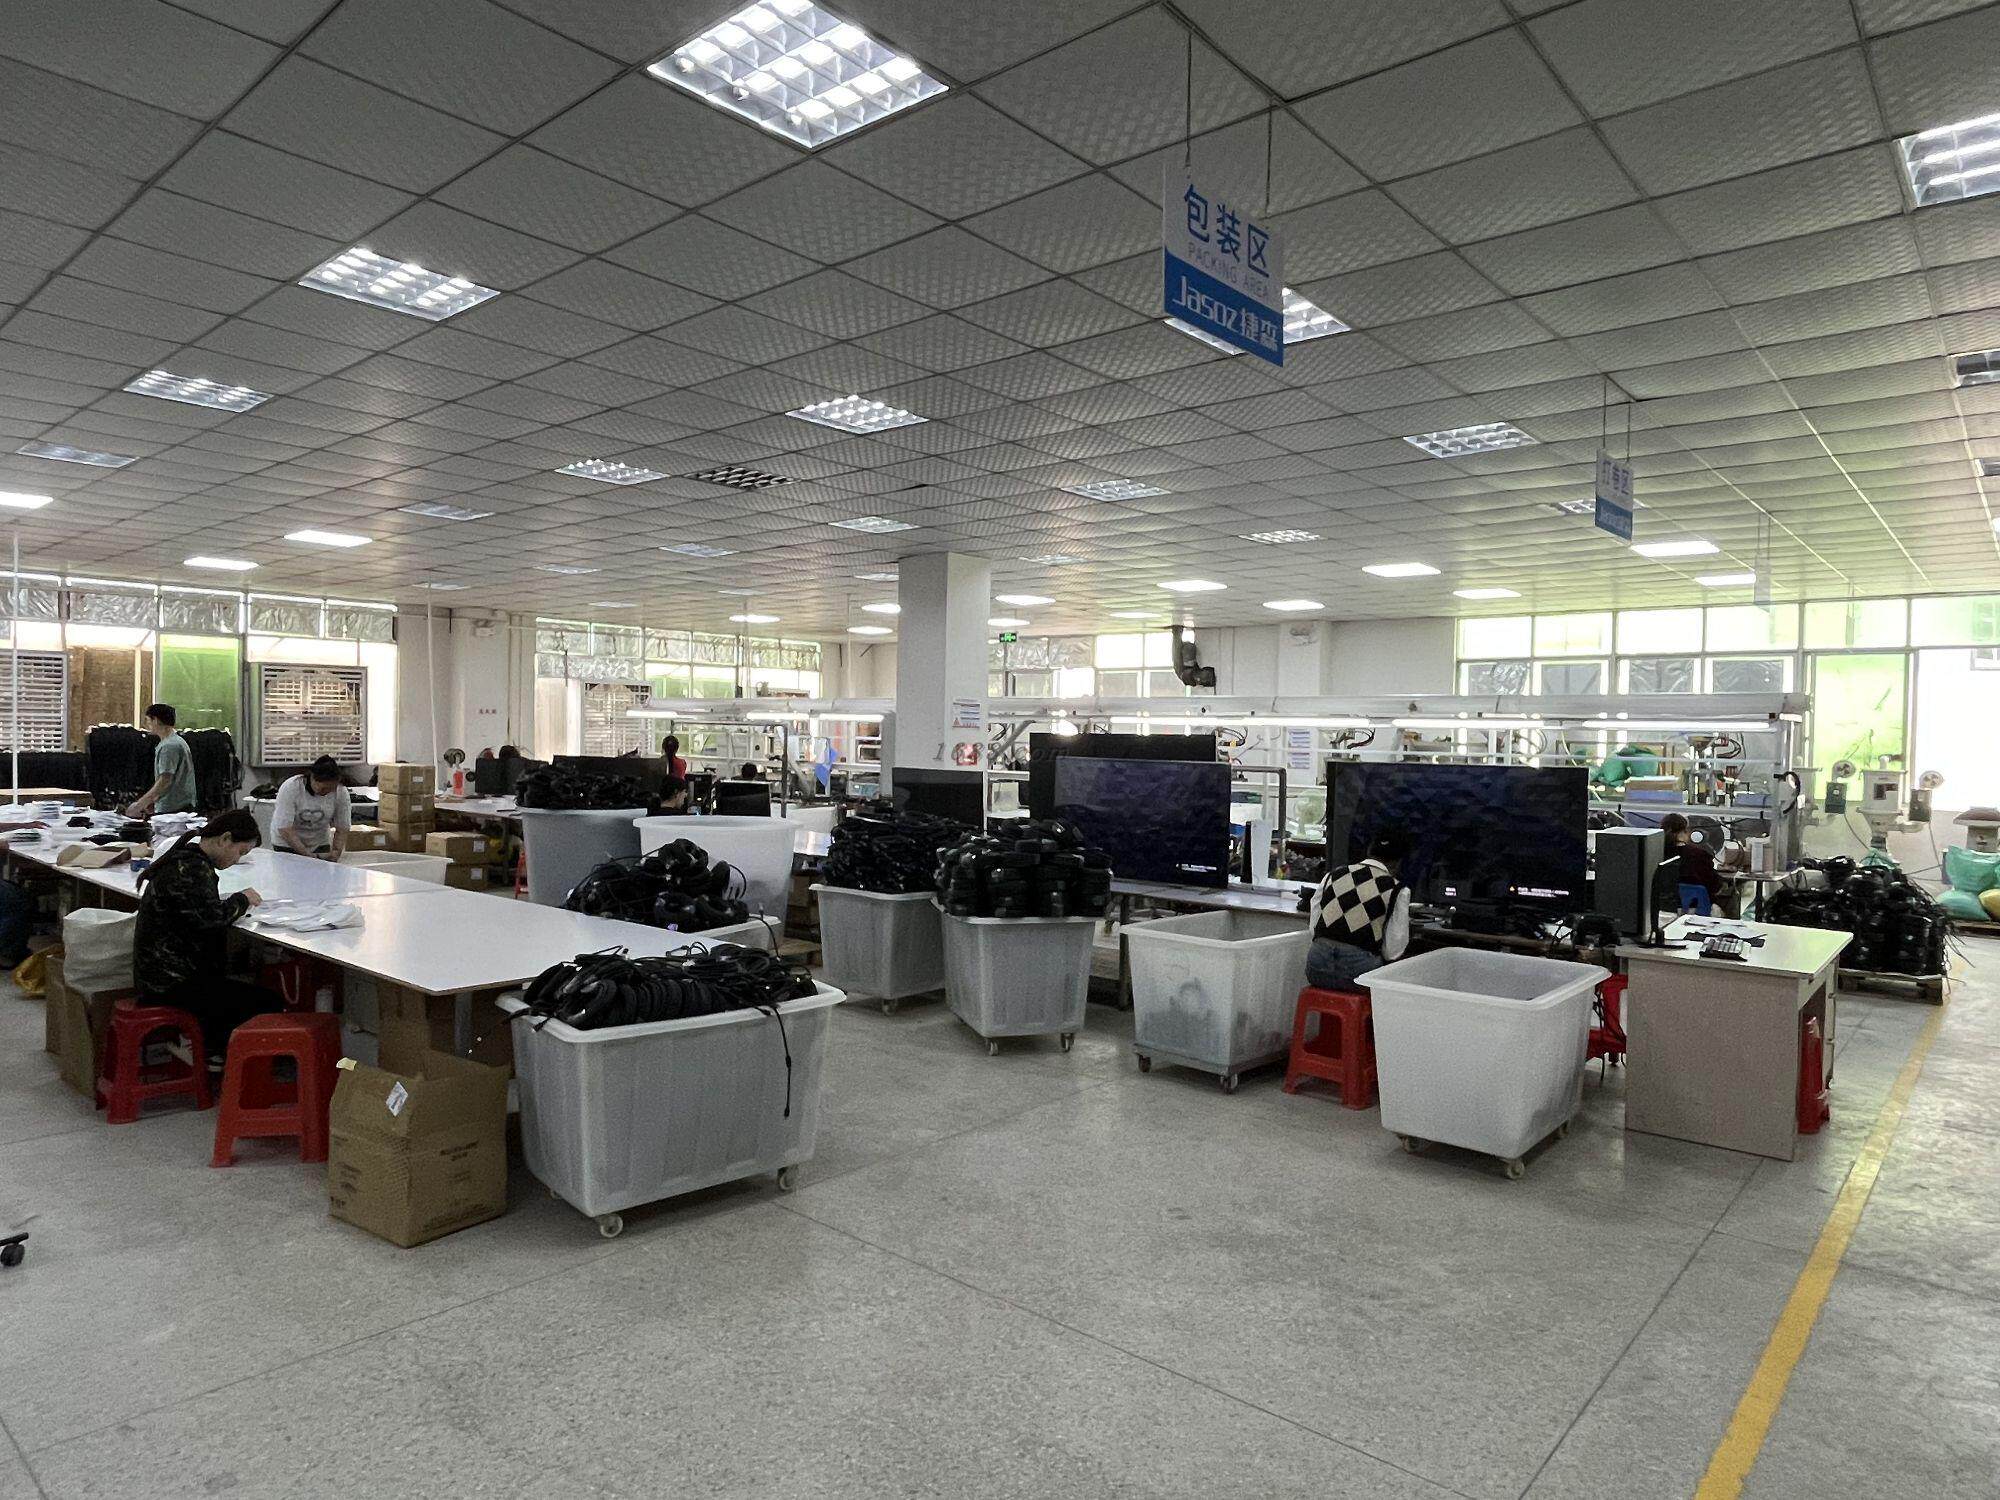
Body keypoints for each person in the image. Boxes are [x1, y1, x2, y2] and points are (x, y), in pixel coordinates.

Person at [133, 808, 277, 1061]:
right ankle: (213, 1054)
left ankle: (208, 1046)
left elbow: (200, 911)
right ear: (225, 839)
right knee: (267, 1001)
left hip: (159, 974)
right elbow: (212, 919)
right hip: (169, 982)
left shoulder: (186, 860)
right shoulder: (191, 869)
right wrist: (242, 899)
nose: (237, 859)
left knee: (235, 982)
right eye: (240, 852)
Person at [1305, 829, 1412, 990]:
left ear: (1369, 852)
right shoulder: (1398, 889)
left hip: (1316, 969)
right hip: (1358, 976)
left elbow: (1314, 926)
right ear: (1398, 863)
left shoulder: (1332, 876)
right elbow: (1393, 950)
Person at [124, 703, 198, 818]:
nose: (147, 724)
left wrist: (140, 805)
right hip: (178, 805)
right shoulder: (177, 742)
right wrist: (154, 800)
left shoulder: (169, 746)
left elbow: (165, 780)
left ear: (156, 720)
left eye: (148, 720)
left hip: (172, 809)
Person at [274, 755, 351, 861]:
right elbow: (285, 828)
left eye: (331, 789)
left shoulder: (341, 791)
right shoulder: (291, 787)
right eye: (323, 788)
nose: (327, 792)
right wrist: (306, 854)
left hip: (319, 843)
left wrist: (336, 852)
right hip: (287, 843)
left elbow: (343, 827)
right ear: (312, 778)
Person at [1660, 812, 1729, 912]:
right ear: (1685, 831)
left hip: (1664, 911)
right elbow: (1715, 886)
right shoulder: (1699, 855)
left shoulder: (1655, 854)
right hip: (1696, 910)